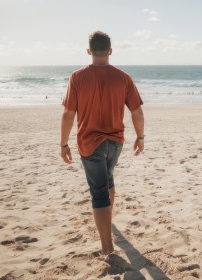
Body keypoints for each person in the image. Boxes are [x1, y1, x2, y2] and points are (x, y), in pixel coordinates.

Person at [59, 30, 145, 255]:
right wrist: (140, 137)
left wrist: (63, 144)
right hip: (115, 141)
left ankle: (107, 248)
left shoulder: (77, 77)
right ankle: (108, 216)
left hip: (90, 142)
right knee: (107, 179)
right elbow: (137, 111)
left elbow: (68, 114)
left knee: (98, 192)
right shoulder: (123, 77)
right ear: (110, 51)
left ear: (89, 51)